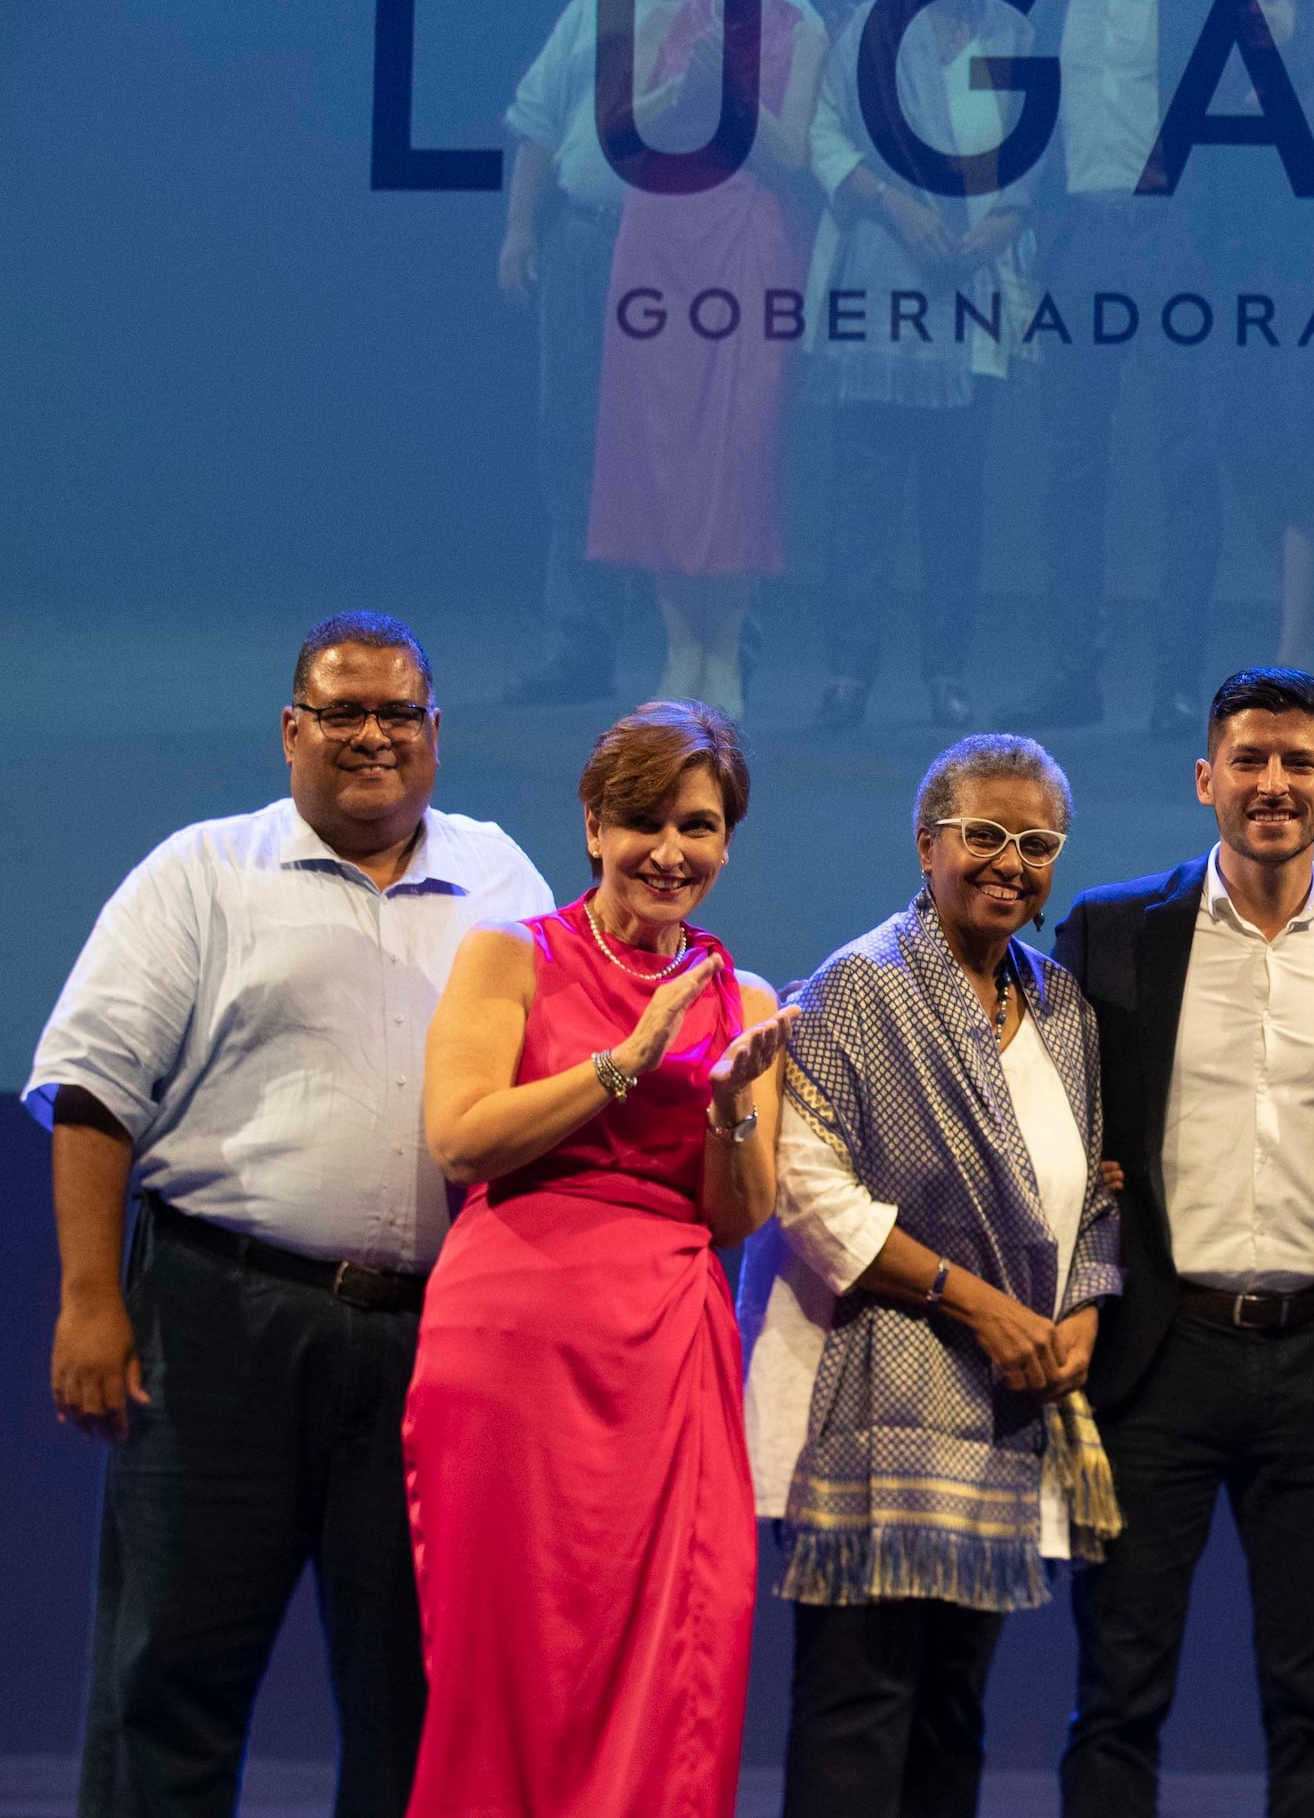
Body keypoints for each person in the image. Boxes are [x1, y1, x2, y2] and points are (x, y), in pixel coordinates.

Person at [27, 612, 554, 1818]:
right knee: (171, 1674)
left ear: (435, 730)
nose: (372, 736)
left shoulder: (503, 879)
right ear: (291, 731)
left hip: (435, 1341)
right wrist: (91, 1299)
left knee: (414, 1698)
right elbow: (96, 1092)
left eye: (398, 714)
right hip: (219, 1318)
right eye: (342, 713)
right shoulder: (202, 871)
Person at [403, 701, 791, 1818]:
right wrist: (626, 1062)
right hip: (511, 1345)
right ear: (592, 823)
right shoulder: (508, 955)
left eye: (701, 825)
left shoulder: (746, 1000)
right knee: (508, 1664)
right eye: (646, 820)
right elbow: (462, 1135)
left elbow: (738, 1216)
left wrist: (724, 1108)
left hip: (666, 1351)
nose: (672, 850)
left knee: (682, 1659)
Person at [1056, 667, 1314, 1818]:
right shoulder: (1115, 930)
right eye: (1252, 761)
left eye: (1298, 763)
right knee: (1118, 1688)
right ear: (1206, 778)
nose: (1274, 783)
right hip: (1161, 1354)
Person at [749, 734, 1122, 1818]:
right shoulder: (851, 990)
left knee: (953, 1707)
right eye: (986, 835)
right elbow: (813, 1194)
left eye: (1038, 842)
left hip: (1008, 1414)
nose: (1012, 861)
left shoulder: (1063, 1010)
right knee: (860, 1701)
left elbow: (1098, 1188)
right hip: (874, 1406)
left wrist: (1083, 1309)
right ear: (927, 845)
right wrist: (985, 1306)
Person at [587, 0, 827, 719]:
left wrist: (730, 91)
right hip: (661, 234)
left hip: (749, 238)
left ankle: (724, 643)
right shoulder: (663, 18)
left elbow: (793, 153)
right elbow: (622, 129)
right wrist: (680, 85)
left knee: (738, 441)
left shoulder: (806, 29)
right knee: (658, 440)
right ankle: (677, 644)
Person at [801, 0, 1037, 732]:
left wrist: (1003, 223)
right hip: (879, 294)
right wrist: (894, 204)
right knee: (862, 501)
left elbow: (1033, 149)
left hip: (974, 301)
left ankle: (946, 671)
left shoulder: (1013, 33)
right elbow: (825, 135)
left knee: (955, 503)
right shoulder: (865, 29)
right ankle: (847, 675)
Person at [999, 0, 1224, 735]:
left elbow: (1231, 119)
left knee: (1189, 462)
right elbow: (1033, 122)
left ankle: (1175, 683)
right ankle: (1074, 673)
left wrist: (1209, 241)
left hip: (1172, 242)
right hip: (1082, 242)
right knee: (1070, 464)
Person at [500, 0, 705, 708]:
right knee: (572, 440)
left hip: (679, 254)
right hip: (584, 241)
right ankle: (580, 643)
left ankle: (704, 651)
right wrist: (520, 229)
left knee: (683, 444)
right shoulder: (599, 2)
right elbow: (538, 122)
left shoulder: (729, 7)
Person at [1200, 0, 1314, 678]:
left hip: (1299, 296)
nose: (1259, 11)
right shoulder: (1223, 95)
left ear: (1302, 9)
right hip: (1234, 302)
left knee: (1292, 469)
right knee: (1243, 462)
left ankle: (1297, 648)